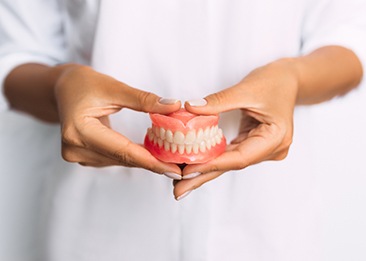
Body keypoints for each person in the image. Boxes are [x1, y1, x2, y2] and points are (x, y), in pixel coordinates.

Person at [1, 0, 366, 260]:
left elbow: (348, 43)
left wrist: (294, 78)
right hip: (97, 229)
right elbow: (15, 58)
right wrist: (61, 85)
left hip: (269, 226)